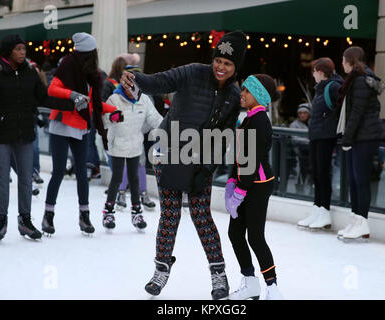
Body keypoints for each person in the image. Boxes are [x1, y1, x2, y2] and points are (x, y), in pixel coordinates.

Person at [121, 31, 247, 299]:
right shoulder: (192, 72)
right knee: (170, 215)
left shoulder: (234, 95)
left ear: (236, 67)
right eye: (218, 60)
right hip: (170, 151)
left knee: (202, 216)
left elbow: (223, 138)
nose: (221, 67)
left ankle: (218, 274)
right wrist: (135, 76)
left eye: (228, 63)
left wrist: (207, 170)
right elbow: (159, 81)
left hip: (201, 159)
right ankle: (161, 269)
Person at [0, 34, 75, 241]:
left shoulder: (30, 73)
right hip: (2, 133)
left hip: (24, 132)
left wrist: (71, 104)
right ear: (8, 51)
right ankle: (1, 221)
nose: (23, 52)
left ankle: (25, 220)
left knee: (26, 179)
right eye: (18, 49)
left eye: (24, 48)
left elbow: (44, 98)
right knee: (2, 179)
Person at [41, 32, 123, 237]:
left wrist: (112, 111)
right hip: (62, 122)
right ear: (87, 51)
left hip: (81, 125)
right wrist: (73, 94)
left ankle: (84, 216)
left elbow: (94, 103)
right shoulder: (67, 65)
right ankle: (48, 215)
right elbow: (52, 89)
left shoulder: (93, 74)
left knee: (81, 172)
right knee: (59, 171)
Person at [225, 74, 283, 300]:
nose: (242, 93)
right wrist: (232, 180)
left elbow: (252, 160)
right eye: (243, 89)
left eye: (248, 91)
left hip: (257, 185)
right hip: (246, 181)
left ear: (259, 95)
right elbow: (240, 157)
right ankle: (250, 282)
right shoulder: (248, 118)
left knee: (255, 237)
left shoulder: (259, 121)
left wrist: (239, 191)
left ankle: (273, 287)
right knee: (235, 233)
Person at [336, 46, 385, 241]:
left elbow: (356, 113)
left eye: (343, 60)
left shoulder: (359, 82)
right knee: (354, 180)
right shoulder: (356, 80)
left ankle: (362, 222)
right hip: (360, 135)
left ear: (351, 61)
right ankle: (356, 219)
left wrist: (347, 137)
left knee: (360, 180)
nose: (342, 63)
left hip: (365, 136)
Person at [102, 69, 163, 231]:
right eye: (130, 87)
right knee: (116, 179)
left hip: (135, 145)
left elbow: (155, 119)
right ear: (124, 84)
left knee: (134, 179)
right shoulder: (114, 99)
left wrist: (170, 128)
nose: (133, 91)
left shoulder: (144, 100)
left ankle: (136, 213)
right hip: (117, 144)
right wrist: (111, 117)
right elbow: (103, 121)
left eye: (136, 87)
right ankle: (108, 212)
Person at [297, 58, 343, 230]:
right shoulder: (321, 88)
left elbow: (343, 107)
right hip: (317, 135)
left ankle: (324, 210)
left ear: (320, 72)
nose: (313, 75)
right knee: (316, 173)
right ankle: (317, 209)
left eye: (314, 71)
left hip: (326, 136)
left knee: (323, 173)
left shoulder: (333, 87)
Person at [290, 103, 312, 194]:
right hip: (299, 153)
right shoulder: (294, 125)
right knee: (301, 172)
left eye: (305, 113)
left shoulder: (312, 123)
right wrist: (309, 141)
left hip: (310, 153)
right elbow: (294, 138)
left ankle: (312, 188)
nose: (302, 115)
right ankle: (299, 190)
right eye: (300, 113)